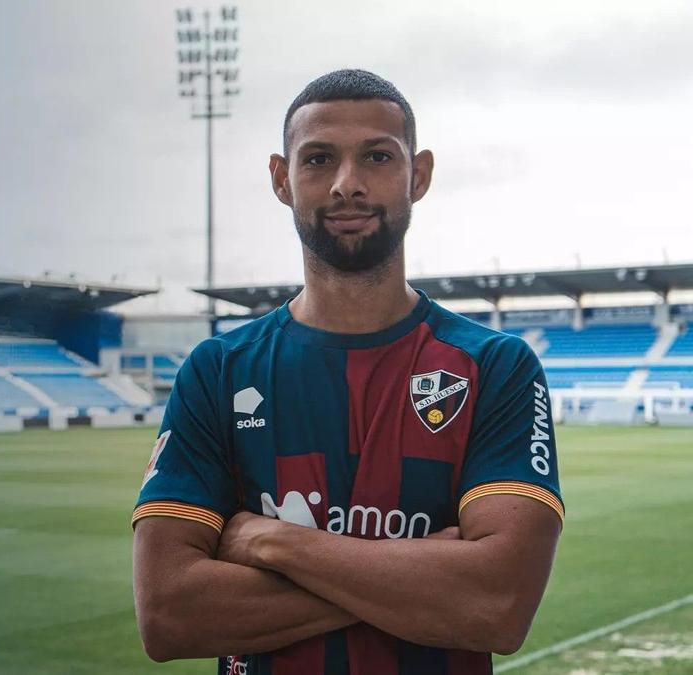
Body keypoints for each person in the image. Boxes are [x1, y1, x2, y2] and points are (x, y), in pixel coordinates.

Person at [131, 69, 563, 675]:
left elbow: (497, 604)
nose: (347, 185)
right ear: (282, 179)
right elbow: (169, 613)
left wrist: (272, 542)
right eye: (318, 159)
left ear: (420, 175)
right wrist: (418, 578)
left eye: (378, 157)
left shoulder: (495, 367)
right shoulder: (219, 371)